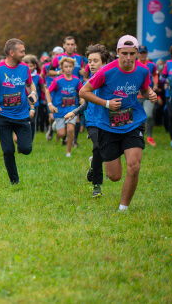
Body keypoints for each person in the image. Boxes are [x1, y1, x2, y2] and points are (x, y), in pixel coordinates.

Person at [79, 35, 157, 211]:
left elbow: (144, 89)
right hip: (108, 124)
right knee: (114, 176)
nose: (128, 58)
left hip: (133, 121)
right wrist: (107, 104)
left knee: (134, 166)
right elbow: (84, 92)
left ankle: (124, 207)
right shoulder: (106, 71)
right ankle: (102, 158)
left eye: (132, 54)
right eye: (124, 54)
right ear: (118, 53)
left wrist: (150, 94)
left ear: (137, 53)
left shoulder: (143, 71)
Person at [0, 39, 37, 185]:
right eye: (21, 51)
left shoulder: (24, 68)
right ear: (12, 53)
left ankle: (21, 145)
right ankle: (14, 180)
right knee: (8, 150)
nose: (24, 54)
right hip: (3, 116)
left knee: (26, 149)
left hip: (22, 115)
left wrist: (34, 93)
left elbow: (30, 85)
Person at [66, 44, 110, 198]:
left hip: (108, 121)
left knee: (106, 152)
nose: (91, 64)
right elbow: (85, 103)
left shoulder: (111, 80)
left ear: (104, 63)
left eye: (95, 61)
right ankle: (96, 186)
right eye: (90, 61)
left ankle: (93, 166)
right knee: (97, 147)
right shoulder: (88, 83)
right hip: (92, 121)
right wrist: (75, 112)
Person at [48, 56, 83, 157]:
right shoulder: (57, 81)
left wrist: (82, 98)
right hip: (59, 109)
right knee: (62, 133)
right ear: (62, 68)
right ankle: (55, 126)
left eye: (70, 66)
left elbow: (81, 92)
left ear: (73, 68)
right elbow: (47, 91)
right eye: (66, 67)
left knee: (71, 129)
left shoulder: (76, 80)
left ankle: (68, 151)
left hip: (72, 108)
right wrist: (50, 104)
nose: (68, 69)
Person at [137, 46, 158, 146]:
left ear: (147, 53)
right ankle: (139, 136)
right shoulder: (134, 64)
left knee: (149, 115)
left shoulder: (151, 65)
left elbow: (155, 74)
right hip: (137, 96)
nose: (142, 55)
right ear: (138, 54)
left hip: (148, 94)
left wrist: (156, 84)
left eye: (144, 52)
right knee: (138, 117)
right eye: (141, 53)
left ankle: (149, 136)